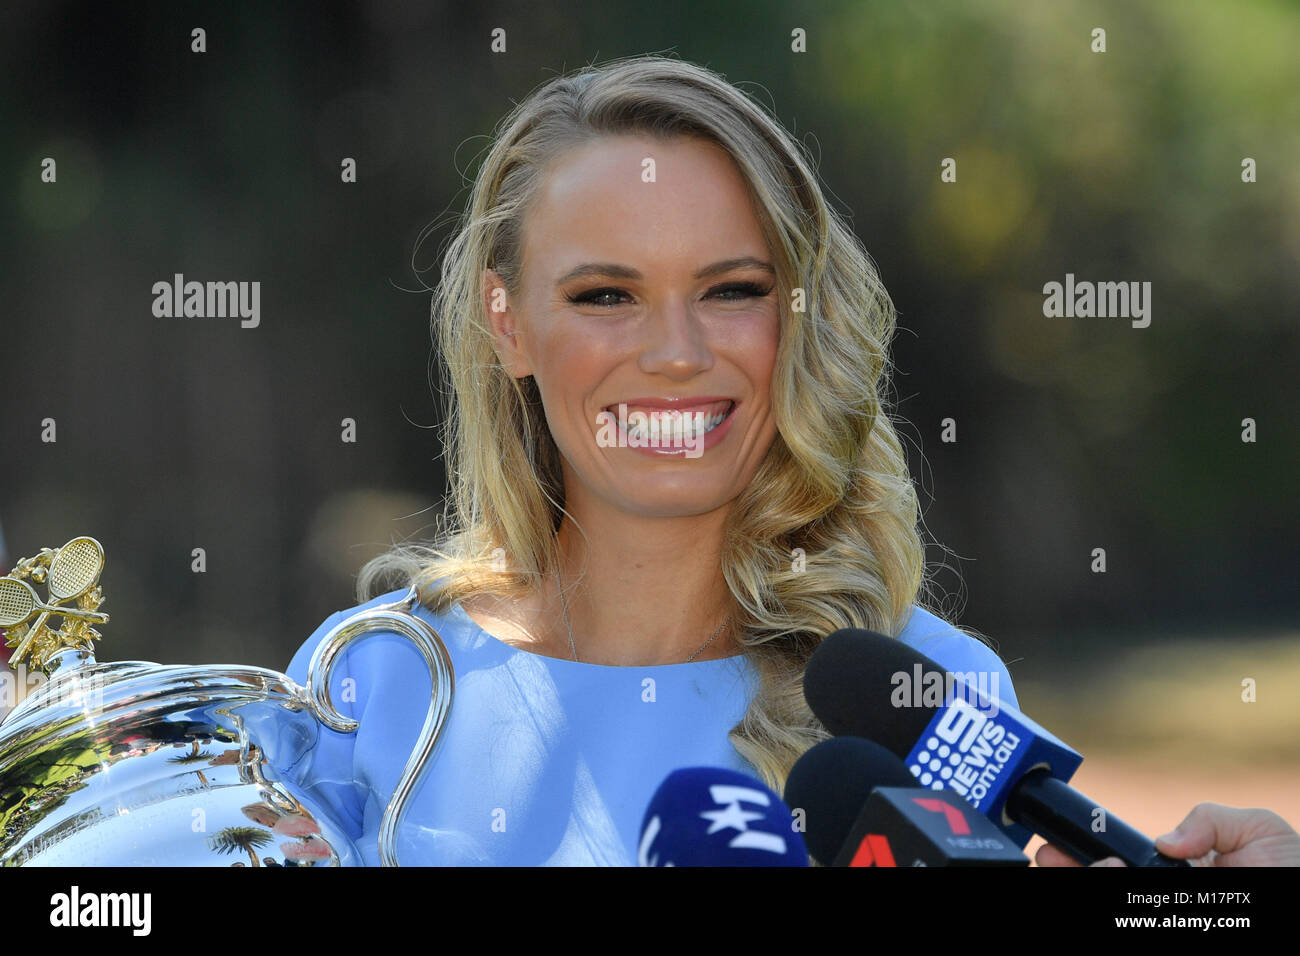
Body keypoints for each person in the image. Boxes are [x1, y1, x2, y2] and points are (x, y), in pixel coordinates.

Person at [279, 53, 1016, 866]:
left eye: (732, 289)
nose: (675, 354)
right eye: (605, 296)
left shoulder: (928, 696)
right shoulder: (367, 680)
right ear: (508, 324)